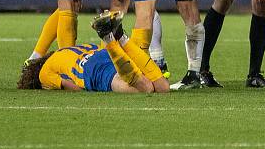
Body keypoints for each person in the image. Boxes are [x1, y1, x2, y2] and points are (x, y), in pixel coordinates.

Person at [18, 10, 169, 93]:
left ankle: (109, 38)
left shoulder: (43, 73)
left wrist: (88, 89)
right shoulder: (69, 49)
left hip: (91, 71)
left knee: (146, 88)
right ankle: (121, 38)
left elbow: (71, 86)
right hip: (103, 55)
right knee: (163, 87)